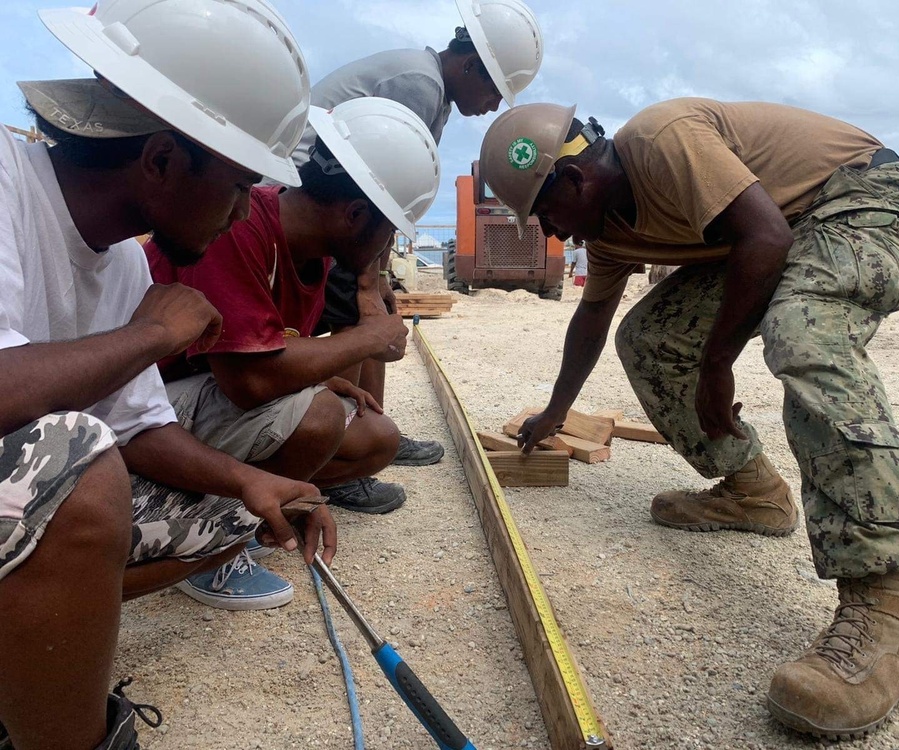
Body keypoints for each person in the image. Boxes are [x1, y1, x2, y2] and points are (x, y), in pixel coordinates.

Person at [479, 98, 899, 739]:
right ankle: (753, 491)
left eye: (547, 215)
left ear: (576, 180)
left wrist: (718, 363)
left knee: (804, 332)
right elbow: (592, 320)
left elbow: (767, 237)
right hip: (777, 227)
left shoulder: (662, 139)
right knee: (649, 339)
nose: (553, 235)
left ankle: (889, 613)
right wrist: (555, 411)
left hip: (857, 198)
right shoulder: (609, 228)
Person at [0, 1, 334, 748]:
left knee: (236, 519)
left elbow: (141, 425)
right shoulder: (4, 184)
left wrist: (250, 482)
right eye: (239, 183)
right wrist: (151, 333)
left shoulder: (119, 260)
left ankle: (27, 665)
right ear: (159, 159)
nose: (246, 210)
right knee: (80, 466)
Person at [145, 99, 441, 602]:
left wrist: (322, 375)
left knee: (375, 437)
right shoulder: (238, 229)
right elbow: (249, 383)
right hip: (133, 414)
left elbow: (271, 346)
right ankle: (209, 544)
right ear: (354, 216)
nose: (385, 245)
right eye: (388, 229)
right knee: (320, 417)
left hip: (188, 399)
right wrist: (369, 337)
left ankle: (249, 512)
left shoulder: (311, 256)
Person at [296, 0, 544, 512]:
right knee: (354, 323)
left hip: (343, 202)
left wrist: (381, 276)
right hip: (316, 197)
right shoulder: (420, 84)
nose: (494, 106)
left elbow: (391, 190)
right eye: (494, 90)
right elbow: (377, 182)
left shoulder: (435, 89)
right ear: (470, 63)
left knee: (378, 312)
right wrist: (367, 283)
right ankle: (342, 462)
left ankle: (373, 432)